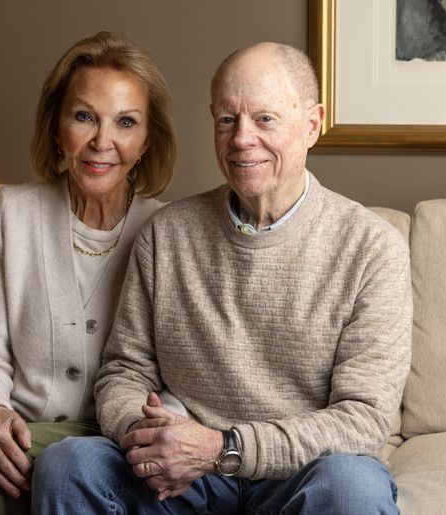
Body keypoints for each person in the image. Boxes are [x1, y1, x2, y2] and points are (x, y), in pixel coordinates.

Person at [32, 42, 412, 514]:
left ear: (311, 125)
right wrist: (149, 439)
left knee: (354, 488)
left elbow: (363, 419)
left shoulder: (372, 248)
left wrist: (220, 448)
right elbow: (124, 371)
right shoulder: (166, 235)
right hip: (180, 479)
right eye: (227, 120)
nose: (241, 139)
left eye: (265, 119)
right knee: (68, 466)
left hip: (300, 475)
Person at [0, 31, 177, 515]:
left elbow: (186, 369)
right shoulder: (11, 213)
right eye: (84, 117)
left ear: (147, 138)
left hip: (119, 441)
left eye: (125, 122)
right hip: (23, 430)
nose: (102, 141)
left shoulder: (169, 229)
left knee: (72, 464)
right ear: (57, 128)